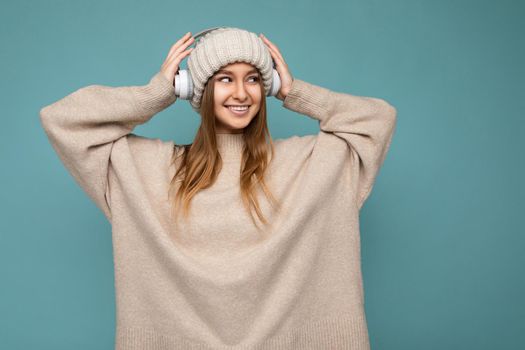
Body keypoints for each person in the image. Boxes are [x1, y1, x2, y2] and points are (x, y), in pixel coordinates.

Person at [39, 27, 397, 350]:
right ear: (196, 88)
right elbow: (63, 120)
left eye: (255, 79)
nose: (242, 93)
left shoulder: (310, 163)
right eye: (225, 79)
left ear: (267, 86)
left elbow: (378, 120)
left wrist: (293, 91)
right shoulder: (149, 170)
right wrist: (156, 94)